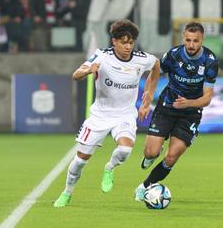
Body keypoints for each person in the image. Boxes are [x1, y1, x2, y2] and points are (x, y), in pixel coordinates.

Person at [54, 19, 160, 207]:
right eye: (124, 42)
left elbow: (156, 65)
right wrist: (88, 70)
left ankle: (109, 168)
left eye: (131, 42)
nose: (128, 47)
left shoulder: (142, 59)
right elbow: (75, 75)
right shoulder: (102, 56)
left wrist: (148, 95)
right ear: (114, 41)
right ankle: (67, 192)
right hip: (100, 117)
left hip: (125, 115)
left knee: (125, 150)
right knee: (79, 162)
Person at [134, 22, 219, 201]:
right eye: (188, 40)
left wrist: (189, 103)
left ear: (202, 40)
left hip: (191, 113)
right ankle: (152, 154)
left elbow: (207, 98)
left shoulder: (210, 61)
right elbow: (155, 72)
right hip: (167, 106)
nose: (191, 45)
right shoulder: (173, 55)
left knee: (172, 157)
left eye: (195, 41)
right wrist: (148, 95)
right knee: (150, 152)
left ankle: (145, 187)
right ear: (183, 38)